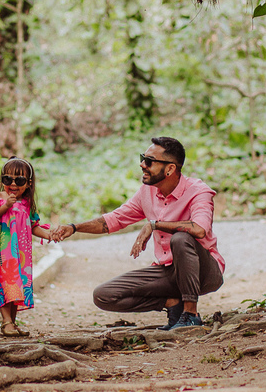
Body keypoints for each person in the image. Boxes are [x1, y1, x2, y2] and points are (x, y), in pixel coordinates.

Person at [50, 137, 224, 330]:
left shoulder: (198, 191)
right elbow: (114, 220)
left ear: (170, 169)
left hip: (204, 272)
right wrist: (74, 227)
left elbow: (199, 229)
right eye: (143, 158)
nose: (142, 165)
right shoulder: (147, 192)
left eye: (149, 161)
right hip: (169, 271)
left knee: (181, 239)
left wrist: (155, 225)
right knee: (104, 295)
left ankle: (191, 315)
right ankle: (173, 304)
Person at [0, 157, 55, 336]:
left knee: (16, 285)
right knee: (3, 282)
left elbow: (34, 226)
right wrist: (6, 206)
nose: (13, 184)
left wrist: (49, 235)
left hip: (20, 254)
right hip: (1, 252)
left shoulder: (27, 204)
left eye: (19, 180)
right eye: (8, 179)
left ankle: (12, 323)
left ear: (28, 183)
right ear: (2, 180)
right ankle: (6, 322)